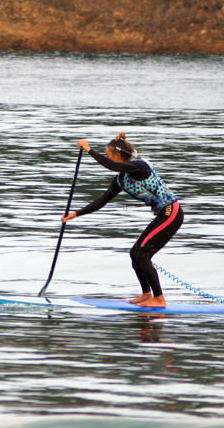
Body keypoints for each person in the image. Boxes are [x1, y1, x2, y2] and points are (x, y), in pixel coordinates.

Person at [61, 132, 183, 308]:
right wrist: (75, 214)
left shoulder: (139, 166)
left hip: (172, 211)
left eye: (109, 155)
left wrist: (89, 150)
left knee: (143, 254)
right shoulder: (121, 180)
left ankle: (159, 299)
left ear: (117, 156)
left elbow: (110, 166)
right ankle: (147, 294)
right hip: (162, 214)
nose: (108, 158)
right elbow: (101, 201)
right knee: (135, 254)